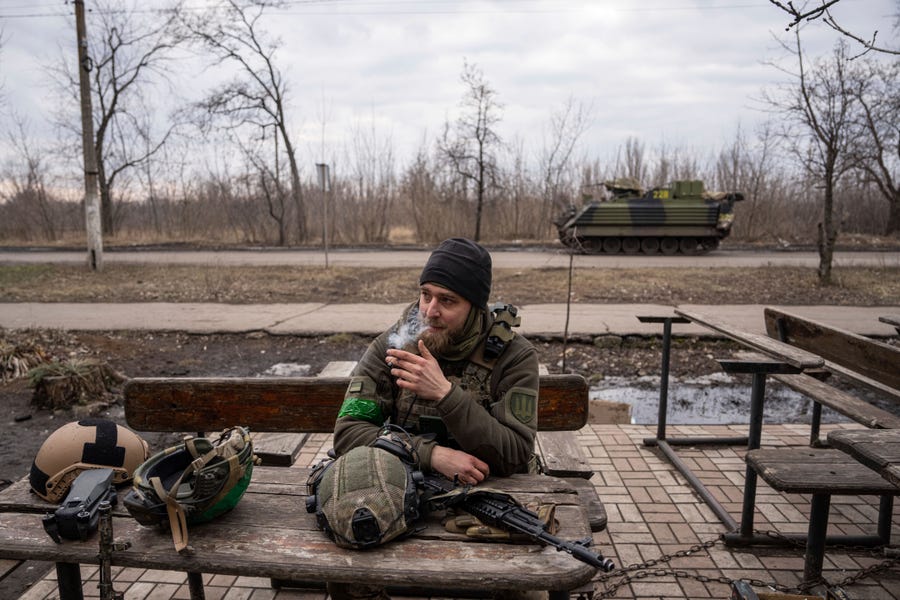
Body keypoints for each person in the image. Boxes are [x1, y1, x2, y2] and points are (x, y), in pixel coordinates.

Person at [327, 237, 540, 600]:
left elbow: (515, 454)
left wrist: (445, 395)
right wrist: (432, 455)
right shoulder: (392, 347)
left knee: (523, 586)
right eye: (426, 294)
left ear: (475, 306)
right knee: (348, 571)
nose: (429, 311)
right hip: (402, 490)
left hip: (488, 497)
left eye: (447, 300)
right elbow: (348, 433)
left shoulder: (513, 357)